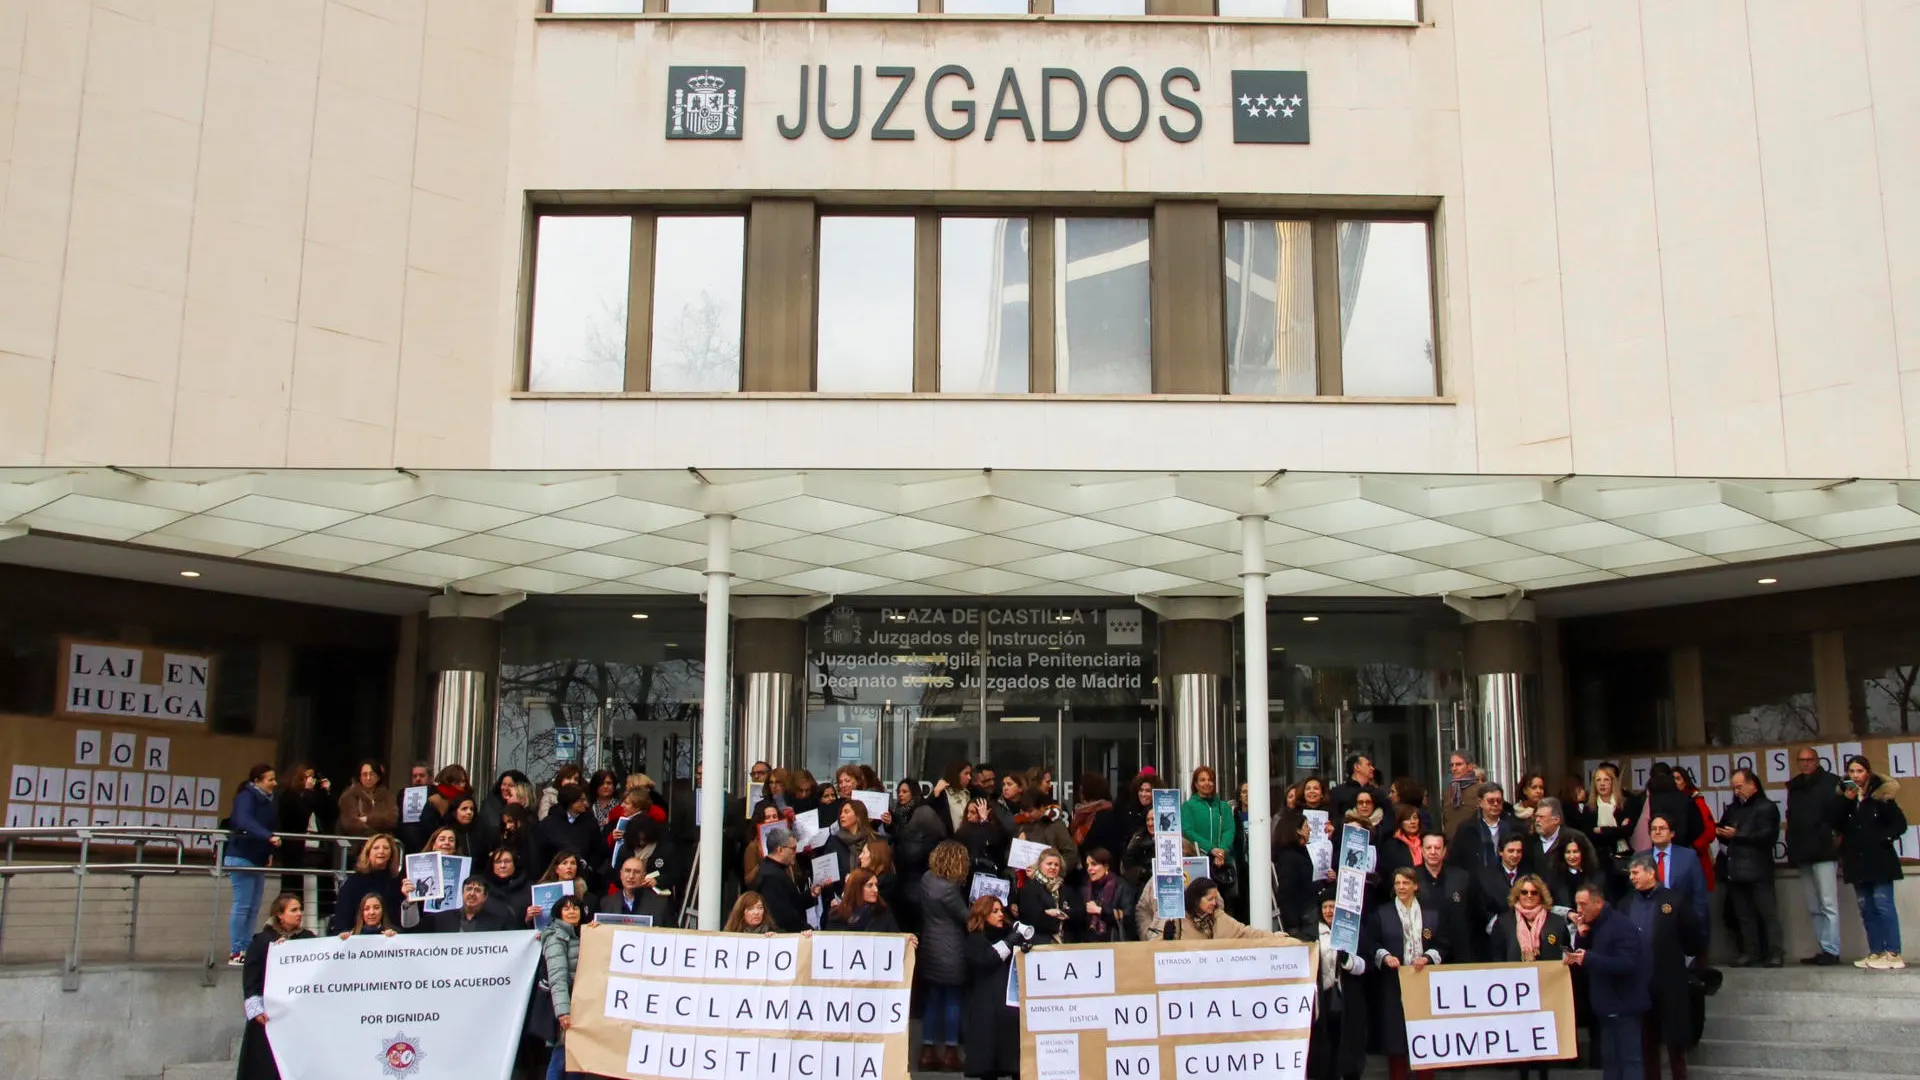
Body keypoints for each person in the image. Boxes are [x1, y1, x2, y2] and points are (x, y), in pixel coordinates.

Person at [1622, 852, 1703, 1080]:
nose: (1632, 878)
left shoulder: (1674, 901)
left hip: (1669, 983)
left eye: (1636, 873)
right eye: (1630, 874)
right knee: (1647, 1043)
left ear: (1650, 873)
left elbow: (1693, 938)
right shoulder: (1626, 903)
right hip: (1639, 984)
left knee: (1675, 1044)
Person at [1567, 882, 1650, 1080]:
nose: (1578, 910)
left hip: (1624, 1007)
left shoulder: (1620, 927)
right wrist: (1581, 936)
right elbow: (1584, 957)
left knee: (1629, 1061)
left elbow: (1627, 963)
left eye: (1583, 904)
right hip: (1605, 1006)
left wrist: (1589, 958)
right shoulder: (1594, 926)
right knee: (1611, 1061)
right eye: (1577, 905)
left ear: (1598, 903)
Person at [1373, 866, 1447, 1080]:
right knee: (1396, 1039)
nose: (1401, 887)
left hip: (1423, 982)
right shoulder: (1383, 912)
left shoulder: (1431, 913)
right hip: (1394, 982)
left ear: (1415, 886)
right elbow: (1373, 943)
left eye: (1406, 883)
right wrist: (1385, 956)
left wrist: (1428, 957)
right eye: (1397, 883)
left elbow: (1443, 943)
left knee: (1424, 1034)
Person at [1839, 754, 1907, 969]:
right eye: (1851, 771)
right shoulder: (1846, 798)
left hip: (1879, 859)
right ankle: (1876, 952)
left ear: (1867, 772)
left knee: (1883, 904)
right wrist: (1846, 802)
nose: (1856, 776)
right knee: (1866, 907)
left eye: (1859, 771)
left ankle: (1893, 953)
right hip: (1857, 860)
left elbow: (1899, 824)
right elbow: (1835, 822)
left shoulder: (1881, 796)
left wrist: (1883, 839)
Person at [237, 893, 312, 1080]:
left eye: (300, 909)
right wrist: (256, 1009)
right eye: (294, 910)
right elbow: (251, 977)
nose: (299, 914)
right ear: (280, 914)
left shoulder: (308, 938)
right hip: (268, 1015)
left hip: (296, 1014)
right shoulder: (262, 941)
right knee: (265, 1064)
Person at [1784, 747, 1847, 965]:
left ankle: (1832, 949)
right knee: (1813, 905)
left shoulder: (1831, 782)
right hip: (1803, 850)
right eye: (1802, 760)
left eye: (1810, 759)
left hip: (1824, 849)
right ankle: (1823, 948)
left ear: (1817, 761)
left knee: (1828, 903)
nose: (1806, 763)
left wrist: (1834, 839)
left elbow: (1841, 814)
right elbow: (1791, 818)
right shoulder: (1795, 785)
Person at [1716, 767, 1783, 967]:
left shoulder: (1767, 807)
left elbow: (1767, 836)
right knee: (1744, 916)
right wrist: (1720, 832)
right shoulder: (1733, 808)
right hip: (1735, 868)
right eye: (1734, 788)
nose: (1736, 791)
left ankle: (1775, 952)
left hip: (1758, 868)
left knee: (1768, 914)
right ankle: (1750, 952)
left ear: (1752, 784)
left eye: (1739, 787)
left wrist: (1737, 835)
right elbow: (1722, 829)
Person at [917, 840, 973, 1072]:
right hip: (950, 949)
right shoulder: (950, 889)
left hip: (930, 945)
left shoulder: (926, 879)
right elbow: (966, 917)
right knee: (952, 1000)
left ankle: (927, 1051)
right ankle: (951, 1052)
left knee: (932, 999)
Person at [961, 896, 1030, 1080]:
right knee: (989, 1067)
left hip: (1012, 1013)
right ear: (983, 915)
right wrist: (1009, 942)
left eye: (1001, 910)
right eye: (995, 911)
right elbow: (988, 958)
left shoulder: (1011, 935)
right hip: (988, 1012)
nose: (1001, 915)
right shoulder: (974, 940)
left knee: (1018, 1063)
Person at [1307, 888, 1369, 1080]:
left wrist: (1347, 961)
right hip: (1321, 1000)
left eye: (1332, 906)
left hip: (1346, 999)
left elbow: (1363, 965)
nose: (1328, 911)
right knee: (1325, 1046)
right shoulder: (1312, 933)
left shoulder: (1353, 931)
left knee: (1347, 1044)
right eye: (1325, 907)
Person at [225, 764, 281, 966]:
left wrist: (269, 851)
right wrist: (268, 837)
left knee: (253, 906)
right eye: (270, 779)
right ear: (257, 781)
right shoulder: (246, 797)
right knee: (243, 904)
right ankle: (237, 950)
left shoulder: (268, 800)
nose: (274, 783)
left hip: (257, 858)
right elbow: (244, 820)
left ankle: (246, 948)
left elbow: (268, 826)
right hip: (242, 855)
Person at [1635, 815, 1707, 936]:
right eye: (1653, 829)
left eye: (1662, 828)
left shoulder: (1689, 857)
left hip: (1681, 921)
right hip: (1650, 921)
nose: (1657, 832)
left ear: (1672, 833)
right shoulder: (1639, 858)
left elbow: (1699, 894)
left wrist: (1696, 925)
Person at [539, 893, 586, 1080]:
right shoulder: (556, 937)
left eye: (575, 907)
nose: (572, 911)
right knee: (561, 1057)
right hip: (567, 1007)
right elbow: (557, 977)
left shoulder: (580, 934)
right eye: (566, 908)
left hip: (581, 1006)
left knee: (576, 1059)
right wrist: (563, 1012)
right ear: (558, 914)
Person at [1415, 832, 1479, 963]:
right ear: (1421, 850)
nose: (1433, 852)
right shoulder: (1411, 878)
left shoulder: (1462, 877)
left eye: (1437, 848)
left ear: (1444, 851)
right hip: (1425, 952)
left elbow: (1474, 913)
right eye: (1428, 848)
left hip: (1459, 951)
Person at [275, 764, 335, 899]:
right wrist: (307, 793)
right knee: (295, 893)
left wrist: (327, 792)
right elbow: (301, 817)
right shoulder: (288, 797)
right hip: (296, 851)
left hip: (318, 851)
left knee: (320, 895)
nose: (311, 781)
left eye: (312, 777)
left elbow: (332, 815)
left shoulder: (316, 796)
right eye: (306, 777)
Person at [1168, 876, 1280, 941]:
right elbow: (1157, 944)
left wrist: (1273, 936)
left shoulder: (1218, 916)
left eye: (1215, 899)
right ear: (1196, 899)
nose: (1214, 903)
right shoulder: (1177, 919)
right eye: (1210, 899)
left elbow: (1244, 932)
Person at [1448, 783, 1527, 874]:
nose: (1495, 804)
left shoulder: (1514, 827)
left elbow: (1525, 859)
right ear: (1480, 802)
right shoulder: (1467, 829)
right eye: (1491, 801)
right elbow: (1455, 860)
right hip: (1475, 882)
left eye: (1499, 801)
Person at [1181, 765, 1238, 893]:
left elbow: (1229, 830)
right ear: (1195, 784)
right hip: (1198, 861)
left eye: (1210, 779)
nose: (1207, 783)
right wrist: (1211, 849)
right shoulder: (1188, 806)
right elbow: (1188, 831)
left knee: (1225, 902)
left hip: (1222, 863)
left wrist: (1221, 851)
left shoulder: (1223, 807)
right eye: (1202, 780)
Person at [536, 783, 603, 885]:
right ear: (570, 802)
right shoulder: (549, 823)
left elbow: (598, 849)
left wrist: (590, 868)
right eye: (581, 800)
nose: (586, 803)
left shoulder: (590, 821)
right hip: (555, 881)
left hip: (584, 881)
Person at [1474, 836, 1531, 947]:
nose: (1515, 855)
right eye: (1511, 851)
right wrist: (1497, 924)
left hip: (1526, 933)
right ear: (1500, 852)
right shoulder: (1485, 876)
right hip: (1494, 935)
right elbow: (1480, 906)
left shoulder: (1529, 875)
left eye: (1518, 851)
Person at [1075, 847, 1139, 944]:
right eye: (1087, 865)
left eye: (1094, 864)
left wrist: (1100, 911)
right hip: (1088, 944)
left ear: (1106, 866)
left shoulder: (1121, 886)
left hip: (1114, 942)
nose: (1089, 869)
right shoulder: (1084, 888)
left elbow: (1128, 918)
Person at [753, 826, 811, 932]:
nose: (795, 853)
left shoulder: (775, 869)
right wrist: (808, 929)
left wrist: (811, 894)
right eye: (793, 849)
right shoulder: (771, 876)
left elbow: (792, 901)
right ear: (780, 850)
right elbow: (784, 915)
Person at [1273, 812, 1320, 937]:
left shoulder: (1301, 852)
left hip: (1307, 913)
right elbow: (1286, 892)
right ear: (1297, 830)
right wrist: (1293, 926)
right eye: (1306, 826)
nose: (1309, 829)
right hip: (1302, 920)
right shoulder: (1290, 858)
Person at [1587, 763, 1631, 885]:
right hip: (1598, 860)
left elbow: (1627, 831)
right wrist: (1616, 829)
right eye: (1598, 780)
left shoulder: (1624, 805)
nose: (1602, 783)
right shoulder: (1589, 808)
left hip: (1622, 858)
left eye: (1606, 780)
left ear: (1613, 782)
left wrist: (1602, 830)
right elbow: (1590, 835)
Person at [1016, 847, 1071, 943]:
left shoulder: (1063, 887)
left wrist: (1058, 913)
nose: (1053, 867)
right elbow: (1032, 918)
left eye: (1056, 865)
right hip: (1039, 942)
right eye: (1049, 864)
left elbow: (1078, 911)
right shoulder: (1030, 887)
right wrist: (1059, 919)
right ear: (1040, 865)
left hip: (1063, 941)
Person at [599, 854, 674, 924]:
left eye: (637, 872)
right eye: (627, 871)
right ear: (621, 874)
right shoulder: (606, 903)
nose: (631, 876)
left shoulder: (661, 904)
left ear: (644, 876)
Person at [825, 869, 901, 933]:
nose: (876, 890)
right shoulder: (837, 915)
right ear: (857, 888)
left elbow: (896, 938)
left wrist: (908, 941)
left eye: (876, 885)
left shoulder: (883, 912)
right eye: (870, 885)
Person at [337, 760, 398, 839]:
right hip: (358, 841)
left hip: (383, 840)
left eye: (372, 774)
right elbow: (350, 824)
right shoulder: (349, 795)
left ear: (378, 777)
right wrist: (379, 823)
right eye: (364, 774)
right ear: (360, 777)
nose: (368, 778)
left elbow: (392, 820)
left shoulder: (387, 796)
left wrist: (367, 819)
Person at [432, 875, 513, 933]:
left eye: (477, 890)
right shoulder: (442, 919)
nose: (472, 893)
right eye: (469, 889)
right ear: (462, 893)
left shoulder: (498, 923)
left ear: (485, 896)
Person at [1441, 752, 1495, 837]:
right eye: (1452, 765)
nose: (1454, 768)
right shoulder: (1447, 791)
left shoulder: (1482, 789)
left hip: (1476, 841)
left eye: (1458, 764)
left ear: (1470, 767)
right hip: (1451, 842)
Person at [1547, 831, 1603, 912]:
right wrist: (1567, 914)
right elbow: (1548, 906)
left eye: (1575, 851)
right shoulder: (1553, 877)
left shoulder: (1597, 876)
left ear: (1583, 852)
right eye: (1568, 852)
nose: (1572, 856)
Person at [933, 762, 973, 835]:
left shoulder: (968, 793)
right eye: (966, 773)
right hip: (948, 841)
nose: (969, 777)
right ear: (956, 774)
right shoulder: (943, 793)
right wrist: (935, 794)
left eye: (970, 774)